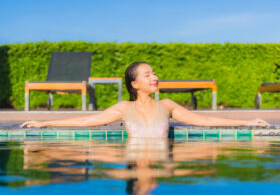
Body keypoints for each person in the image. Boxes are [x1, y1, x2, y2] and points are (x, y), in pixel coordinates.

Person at [21, 61, 269, 137]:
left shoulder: (167, 106)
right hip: (131, 159)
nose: (155, 77)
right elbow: (86, 121)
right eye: (148, 75)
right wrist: (43, 124)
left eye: (154, 73)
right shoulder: (123, 107)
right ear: (134, 84)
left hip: (164, 159)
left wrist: (248, 123)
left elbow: (203, 120)